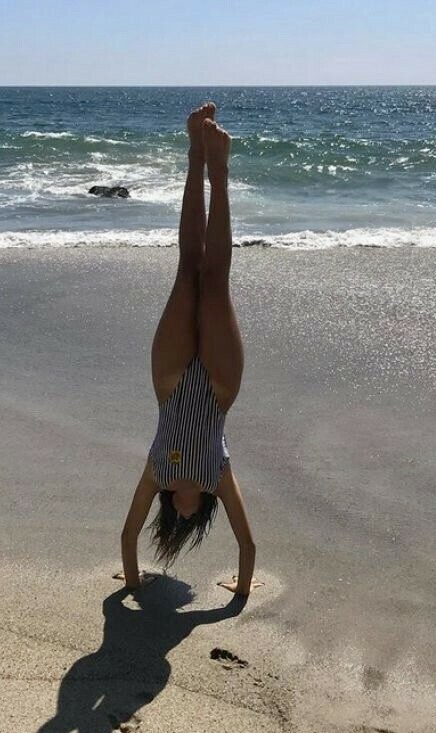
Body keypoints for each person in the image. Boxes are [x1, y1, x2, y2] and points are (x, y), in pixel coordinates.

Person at [116, 102, 262, 597]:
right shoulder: (218, 478)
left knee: (187, 268)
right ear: (200, 512)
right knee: (215, 280)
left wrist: (131, 584)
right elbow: (248, 544)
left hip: (171, 379)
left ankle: (195, 156)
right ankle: (219, 173)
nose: (182, 513)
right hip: (220, 387)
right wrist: (242, 589)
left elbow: (128, 534)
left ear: (168, 511)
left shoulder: (157, 475)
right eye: (189, 518)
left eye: (174, 519)